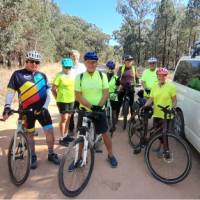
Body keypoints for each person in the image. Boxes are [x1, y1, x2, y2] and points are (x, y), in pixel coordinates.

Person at [2, 50, 60, 169]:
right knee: (30, 135)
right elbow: (10, 92)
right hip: (26, 112)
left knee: (50, 133)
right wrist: (7, 106)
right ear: (26, 61)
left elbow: (48, 93)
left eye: (37, 62)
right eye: (32, 61)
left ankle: (51, 153)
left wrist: (44, 107)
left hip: (42, 110)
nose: (34, 64)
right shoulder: (17, 75)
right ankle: (32, 156)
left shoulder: (42, 75)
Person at [74, 51, 118, 168]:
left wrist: (99, 106)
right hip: (85, 110)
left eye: (94, 62)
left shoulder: (102, 76)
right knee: (81, 135)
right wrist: (91, 106)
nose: (92, 64)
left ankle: (111, 155)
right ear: (85, 63)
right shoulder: (80, 77)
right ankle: (79, 158)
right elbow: (78, 95)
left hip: (99, 110)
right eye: (89, 62)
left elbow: (106, 93)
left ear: (97, 63)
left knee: (105, 133)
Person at [135, 67, 177, 154]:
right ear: (157, 76)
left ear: (166, 76)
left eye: (163, 75)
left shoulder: (171, 87)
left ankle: (165, 150)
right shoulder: (154, 86)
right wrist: (145, 106)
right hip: (157, 113)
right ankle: (159, 147)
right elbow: (151, 99)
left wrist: (172, 108)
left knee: (164, 133)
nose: (161, 77)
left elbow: (174, 100)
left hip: (167, 114)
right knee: (157, 133)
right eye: (159, 75)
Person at [52, 58, 75, 146]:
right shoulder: (59, 76)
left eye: (69, 67)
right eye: (66, 67)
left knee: (69, 118)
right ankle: (61, 138)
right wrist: (57, 98)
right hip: (62, 101)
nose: (68, 69)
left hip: (71, 100)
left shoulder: (73, 75)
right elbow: (53, 89)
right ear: (63, 67)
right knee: (64, 119)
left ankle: (65, 135)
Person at [69, 50, 86, 134]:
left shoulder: (83, 66)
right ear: (70, 57)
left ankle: (79, 128)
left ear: (79, 57)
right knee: (70, 113)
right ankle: (71, 129)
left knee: (81, 112)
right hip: (70, 93)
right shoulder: (68, 66)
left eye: (76, 56)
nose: (75, 57)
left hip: (81, 93)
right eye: (73, 55)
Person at [106, 60, 119, 132]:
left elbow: (119, 85)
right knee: (104, 110)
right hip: (105, 94)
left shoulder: (116, 77)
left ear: (113, 69)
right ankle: (105, 124)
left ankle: (113, 126)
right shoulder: (104, 77)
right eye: (109, 68)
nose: (110, 70)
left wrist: (117, 90)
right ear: (107, 68)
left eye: (111, 68)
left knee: (114, 111)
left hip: (113, 94)